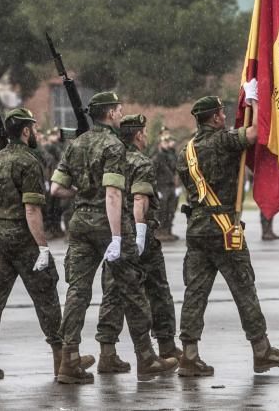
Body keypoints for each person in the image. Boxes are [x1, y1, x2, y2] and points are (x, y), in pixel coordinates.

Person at [50, 91, 177, 385]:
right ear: (109, 114)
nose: (121, 113)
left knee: (77, 292)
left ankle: (68, 360)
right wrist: (117, 236)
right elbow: (113, 193)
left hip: (79, 221)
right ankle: (146, 357)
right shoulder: (113, 146)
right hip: (108, 225)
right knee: (132, 290)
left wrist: (83, 193)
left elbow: (56, 188)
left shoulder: (77, 143)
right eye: (118, 109)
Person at [175, 86, 279, 377]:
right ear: (214, 118)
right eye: (221, 113)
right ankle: (261, 350)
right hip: (224, 228)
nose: (225, 116)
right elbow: (253, 134)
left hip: (197, 228)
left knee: (195, 293)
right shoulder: (223, 140)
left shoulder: (185, 152)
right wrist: (253, 100)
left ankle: (189, 355)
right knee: (244, 288)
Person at [0, 108, 67, 380]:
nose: (35, 132)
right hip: (24, 238)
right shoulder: (29, 162)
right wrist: (43, 246)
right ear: (26, 131)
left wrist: (2, 218)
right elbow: (32, 210)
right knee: (46, 295)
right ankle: (62, 360)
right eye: (33, 127)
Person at [96, 114, 181, 371]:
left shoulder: (110, 159)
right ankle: (163, 346)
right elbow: (140, 201)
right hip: (139, 234)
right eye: (143, 132)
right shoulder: (141, 161)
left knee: (113, 293)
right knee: (157, 290)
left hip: (116, 235)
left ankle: (107, 352)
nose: (146, 136)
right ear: (138, 135)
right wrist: (142, 233)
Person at [152, 133, 181, 241]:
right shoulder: (157, 157)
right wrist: (156, 190)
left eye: (168, 142)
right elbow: (153, 174)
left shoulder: (170, 156)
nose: (168, 144)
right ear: (159, 144)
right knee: (162, 210)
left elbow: (175, 171)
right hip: (161, 187)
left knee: (171, 209)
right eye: (165, 142)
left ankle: (168, 231)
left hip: (170, 186)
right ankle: (160, 231)